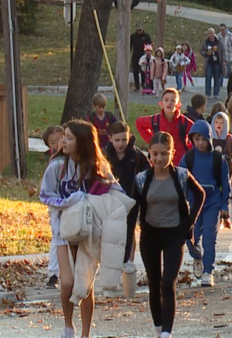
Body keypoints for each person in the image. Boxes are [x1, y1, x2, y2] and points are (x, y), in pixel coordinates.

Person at [39, 120, 124, 338]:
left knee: (85, 285)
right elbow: (45, 195)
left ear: (83, 142)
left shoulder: (98, 166)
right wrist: (69, 202)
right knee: (67, 282)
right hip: (63, 231)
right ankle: (68, 326)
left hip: (89, 232)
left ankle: (86, 333)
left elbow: (115, 190)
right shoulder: (57, 166)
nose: (62, 141)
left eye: (68, 137)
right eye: (63, 136)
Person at [132, 132, 205, 338]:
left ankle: (167, 333)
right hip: (150, 236)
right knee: (154, 283)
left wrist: (188, 223)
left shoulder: (181, 175)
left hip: (174, 234)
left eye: (164, 154)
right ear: (150, 154)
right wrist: (126, 236)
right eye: (155, 154)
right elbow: (132, 207)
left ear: (172, 153)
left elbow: (200, 195)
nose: (159, 158)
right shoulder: (142, 179)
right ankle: (158, 329)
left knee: (168, 282)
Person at [180, 120, 231, 287]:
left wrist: (225, 206)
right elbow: (180, 182)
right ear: (192, 140)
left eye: (203, 139)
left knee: (209, 237)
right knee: (190, 237)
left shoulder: (218, 159)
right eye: (197, 139)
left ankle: (208, 271)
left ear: (209, 139)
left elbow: (225, 184)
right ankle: (197, 257)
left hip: (212, 204)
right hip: (193, 205)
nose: (200, 143)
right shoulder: (188, 158)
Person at [104, 122, 151, 298]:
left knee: (129, 229)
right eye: (117, 140)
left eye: (124, 139)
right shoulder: (106, 154)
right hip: (111, 199)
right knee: (112, 231)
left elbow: (147, 172)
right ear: (111, 139)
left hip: (132, 198)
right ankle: (114, 263)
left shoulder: (136, 155)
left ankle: (128, 261)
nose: (121, 143)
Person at [136, 88, 193, 166]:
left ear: (178, 105)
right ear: (161, 104)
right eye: (166, 100)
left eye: (173, 101)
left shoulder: (184, 122)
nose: (169, 103)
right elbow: (139, 123)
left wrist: (189, 150)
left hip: (180, 162)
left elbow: (197, 134)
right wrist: (152, 140)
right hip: (159, 162)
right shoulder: (155, 121)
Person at [42, 125, 64, 289]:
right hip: (57, 204)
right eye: (53, 143)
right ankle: (54, 273)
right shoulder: (55, 162)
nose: (57, 144)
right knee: (57, 235)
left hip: (73, 203)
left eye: (60, 139)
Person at [200, 28, 223, 99]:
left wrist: (224, 60)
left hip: (217, 62)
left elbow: (223, 51)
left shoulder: (218, 41)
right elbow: (201, 51)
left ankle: (216, 93)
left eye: (212, 33)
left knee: (217, 78)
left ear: (214, 34)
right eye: (209, 33)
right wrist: (206, 53)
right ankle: (208, 93)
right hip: (209, 62)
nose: (210, 35)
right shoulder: (205, 42)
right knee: (208, 77)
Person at [130, 24, 152, 92]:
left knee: (143, 72)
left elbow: (150, 45)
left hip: (144, 56)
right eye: (137, 30)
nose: (139, 31)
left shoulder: (146, 36)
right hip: (135, 56)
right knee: (135, 72)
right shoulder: (133, 36)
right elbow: (130, 45)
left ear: (142, 29)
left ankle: (144, 85)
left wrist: (149, 54)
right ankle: (137, 86)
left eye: (140, 30)